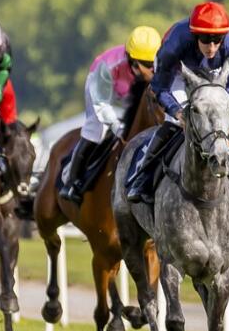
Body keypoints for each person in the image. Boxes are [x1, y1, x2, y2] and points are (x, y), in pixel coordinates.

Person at [126, 1, 229, 208]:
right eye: (205, 40)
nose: (212, 47)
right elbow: (160, 88)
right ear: (195, 35)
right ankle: (143, 176)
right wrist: (178, 112)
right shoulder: (175, 45)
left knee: (217, 122)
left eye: (217, 40)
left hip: (210, 74)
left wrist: (220, 107)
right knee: (174, 122)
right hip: (176, 72)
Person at [59, 25, 162, 205]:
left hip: (128, 89)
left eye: (154, 63)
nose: (154, 69)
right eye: (148, 65)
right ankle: (72, 181)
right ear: (134, 61)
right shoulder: (109, 66)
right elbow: (102, 104)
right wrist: (116, 126)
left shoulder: (153, 64)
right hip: (101, 91)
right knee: (97, 129)